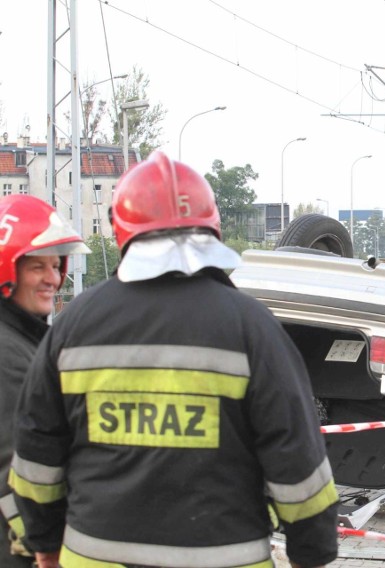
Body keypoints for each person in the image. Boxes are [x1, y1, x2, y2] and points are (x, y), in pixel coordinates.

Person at [10, 152, 338, 568]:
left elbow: (36, 457)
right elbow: (299, 465)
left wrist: (45, 545)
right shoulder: (253, 328)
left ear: (121, 232)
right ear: (211, 227)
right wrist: (312, 553)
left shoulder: (73, 326)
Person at [0, 195, 90, 567]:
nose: (53, 279)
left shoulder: (23, 341)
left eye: (56, 266)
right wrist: (49, 549)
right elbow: (17, 470)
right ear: (8, 271)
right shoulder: (7, 355)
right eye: (38, 267)